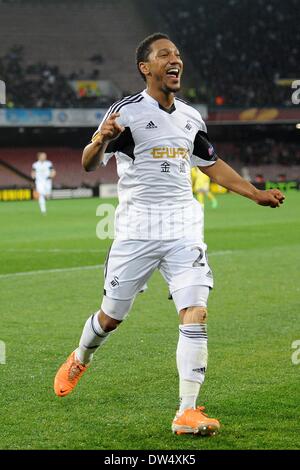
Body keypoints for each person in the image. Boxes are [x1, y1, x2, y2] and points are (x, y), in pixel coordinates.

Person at [54, 33, 285, 436]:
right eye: (165, 55)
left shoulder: (191, 117)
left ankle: (187, 411)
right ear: (146, 67)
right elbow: (89, 163)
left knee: (196, 311)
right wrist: (100, 139)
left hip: (183, 229)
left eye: (177, 55)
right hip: (137, 232)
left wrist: (255, 194)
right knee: (110, 318)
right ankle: (80, 357)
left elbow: (211, 165)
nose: (174, 60)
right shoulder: (126, 112)